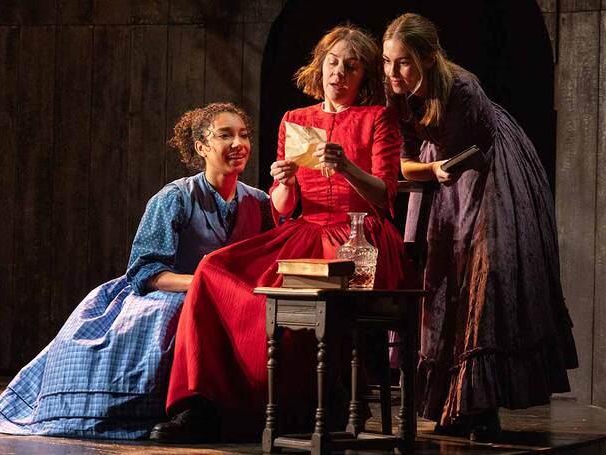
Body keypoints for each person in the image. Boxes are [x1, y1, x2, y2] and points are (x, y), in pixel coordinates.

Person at [150, 24, 411, 443]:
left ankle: (303, 404)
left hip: (361, 235)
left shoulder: (378, 118)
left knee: (307, 296)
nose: (338, 71)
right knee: (215, 268)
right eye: (332, 61)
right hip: (305, 229)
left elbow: (385, 196)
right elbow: (282, 208)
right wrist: (284, 182)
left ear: (364, 77)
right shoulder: (296, 119)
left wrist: (346, 167)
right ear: (319, 65)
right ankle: (199, 403)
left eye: (351, 65)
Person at [0, 103, 273, 440]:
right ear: (202, 147)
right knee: (186, 310)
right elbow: (145, 270)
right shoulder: (175, 197)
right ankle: (187, 409)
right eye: (225, 135)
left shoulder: (258, 202)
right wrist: (204, 284)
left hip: (229, 295)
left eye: (243, 135)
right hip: (170, 291)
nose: (238, 143)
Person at [382, 13, 579, 441]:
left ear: (429, 59)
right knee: (436, 277)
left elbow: (463, 152)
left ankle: (479, 404)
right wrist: (425, 169)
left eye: (402, 63)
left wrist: (428, 168)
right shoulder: (395, 92)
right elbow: (405, 157)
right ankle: (448, 403)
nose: (392, 72)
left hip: (486, 168)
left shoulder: (462, 88)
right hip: (439, 173)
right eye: (387, 61)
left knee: (481, 278)